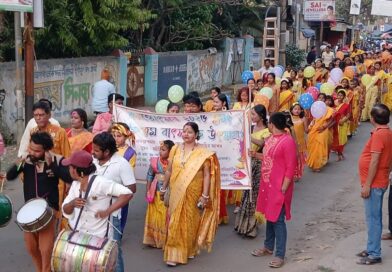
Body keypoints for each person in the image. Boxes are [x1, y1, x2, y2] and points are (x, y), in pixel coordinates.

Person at [6, 132, 73, 272]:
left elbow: (68, 178)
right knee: (31, 247)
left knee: (46, 249)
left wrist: (52, 166)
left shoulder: (57, 160)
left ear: (46, 150)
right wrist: (17, 164)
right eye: (31, 148)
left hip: (49, 211)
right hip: (29, 212)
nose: (32, 152)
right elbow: (10, 176)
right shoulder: (26, 161)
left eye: (37, 151)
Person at [160, 122, 220, 266]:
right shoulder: (175, 149)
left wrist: (205, 196)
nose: (186, 134)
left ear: (196, 134)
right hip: (176, 190)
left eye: (190, 132)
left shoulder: (203, 153)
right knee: (175, 221)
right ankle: (174, 254)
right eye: (184, 131)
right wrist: (163, 187)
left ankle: (189, 249)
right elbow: (169, 170)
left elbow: (207, 175)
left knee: (190, 222)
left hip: (194, 191)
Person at [252, 112, 297, 269]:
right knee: (270, 217)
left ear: (271, 124)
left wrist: (284, 187)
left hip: (280, 186)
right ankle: (268, 246)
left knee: (278, 220)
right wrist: (254, 154)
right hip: (267, 185)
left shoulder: (288, 141)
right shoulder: (270, 139)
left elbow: (291, 166)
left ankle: (280, 254)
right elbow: (268, 158)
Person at [92, 132, 136, 272]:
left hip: (112, 217)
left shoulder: (122, 164)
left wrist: (111, 193)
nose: (93, 152)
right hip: (93, 215)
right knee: (93, 252)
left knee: (113, 253)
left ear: (107, 151)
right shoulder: (93, 162)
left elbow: (132, 189)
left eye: (97, 150)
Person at [62, 150, 132, 238]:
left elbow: (128, 194)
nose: (69, 170)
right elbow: (65, 210)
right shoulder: (75, 184)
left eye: (70, 167)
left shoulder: (100, 182)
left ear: (75, 170)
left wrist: (107, 211)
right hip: (78, 235)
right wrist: (72, 204)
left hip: (99, 237)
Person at [357, 104, 392, 265]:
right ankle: (371, 247)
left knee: (373, 219)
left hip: (375, 183)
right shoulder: (386, 133)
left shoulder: (379, 135)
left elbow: (375, 160)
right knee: (374, 217)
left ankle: (374, 253)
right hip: (380, 180)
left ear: (372, 118)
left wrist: (367, 185)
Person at [234, 105, 270, 238]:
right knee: (245, 194)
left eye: (254, 114)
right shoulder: (250, 127)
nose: (252, 117)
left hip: (259, 164)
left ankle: (253, 225)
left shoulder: (267, 130)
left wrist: (249, 136)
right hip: (247, 163)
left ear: (261, 116)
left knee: (254, 195)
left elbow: (263, 144)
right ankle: (242, 225)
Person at [143, 140, 174, 248]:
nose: (161, 152)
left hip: (167, 192)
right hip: (155, 191)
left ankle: (163, 239)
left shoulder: (174, 163)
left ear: (170, 152)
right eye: (160, 149)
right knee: (154, 213)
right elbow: (149, 176)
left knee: (164, 214)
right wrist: (147, 190)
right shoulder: (155, 162)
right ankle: (153, 239)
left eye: (164, 150)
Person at [307, 99, 335, 172]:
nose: (327, 101)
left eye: (324, 98)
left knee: (320, 147)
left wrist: (324, 127)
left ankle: (317, 165)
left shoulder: (330, 110)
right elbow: (313, 120)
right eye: (320, 98)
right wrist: (310, 126)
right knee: (312, 148)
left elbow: (332, 120)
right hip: (314, 131)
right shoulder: (316, 108)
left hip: (322, 131)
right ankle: (312, 163)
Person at [290, 103, 308, 180]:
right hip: (291, 141)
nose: (297, 110)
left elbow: (306, 130)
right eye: (295, 109)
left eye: (298, 109)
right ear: (291, 110)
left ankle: (297, 174)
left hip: (300, 142)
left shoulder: (303, 119)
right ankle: (292, 173)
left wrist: (312, 125)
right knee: (292, 158)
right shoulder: (289, 119)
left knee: (299, 158)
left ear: (301, 110)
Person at [331, 90, 350, 161]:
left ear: (344, 97)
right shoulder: (334, 104)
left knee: (341, 140)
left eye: (341, 96)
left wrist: (343, 120)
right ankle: (340, 154)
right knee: (335, 139)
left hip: (342, 124)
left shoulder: (346, 105)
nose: (339, 97)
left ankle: (340, 154)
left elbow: (348, 115)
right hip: (334, 124)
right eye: (338, 95)